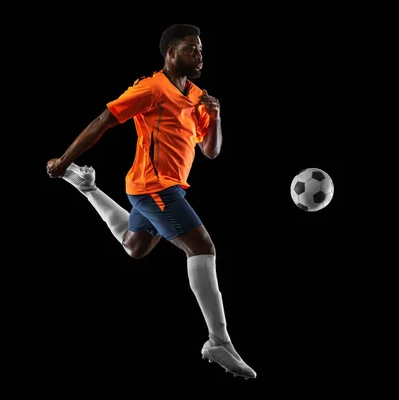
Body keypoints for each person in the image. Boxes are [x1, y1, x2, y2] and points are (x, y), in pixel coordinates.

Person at [46, 23, 256, 380]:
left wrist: (216, 117)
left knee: (135, 247)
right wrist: (63, 160)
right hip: (153, 187)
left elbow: (211, 151)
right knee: (202, 247)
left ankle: (86, 187)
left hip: (165, 189)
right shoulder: (152, 88)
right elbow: (103, 120)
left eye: (202, 50)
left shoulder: (198, 96)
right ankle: (218, 340)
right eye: (192, 49)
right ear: (171, 53)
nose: (200, 55)